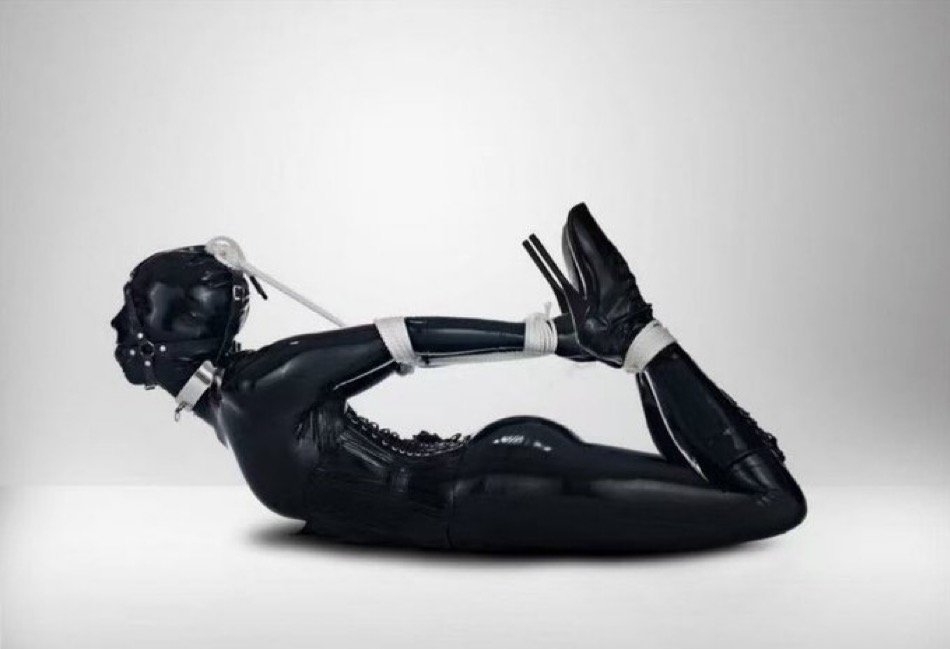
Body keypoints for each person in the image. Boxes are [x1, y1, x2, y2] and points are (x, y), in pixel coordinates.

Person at [111, 204, 806, 552]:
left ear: (164, 339)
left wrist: (549, 337)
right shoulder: (235, 406)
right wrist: (562, 338)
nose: (118, 324)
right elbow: (400, 343)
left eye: (133, 310)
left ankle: (632, 327)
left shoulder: (258, 389)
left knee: (769, 505)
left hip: (497, 491)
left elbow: (402, 338)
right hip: (493, 489)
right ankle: (630, 338)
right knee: (710, 487)